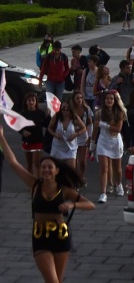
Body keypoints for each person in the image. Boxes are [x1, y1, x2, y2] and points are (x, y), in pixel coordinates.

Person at [0, 126, 95, 283]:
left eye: (50, 167)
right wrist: (2, 137)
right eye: (43, 167)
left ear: (57, 170)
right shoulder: (35, 185)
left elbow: (91, 205)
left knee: (57, 279)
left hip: (60, 237)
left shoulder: (65, 191)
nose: (46, 170)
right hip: (40, 237)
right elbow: (13, 163)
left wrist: (72, 205)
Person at [91, 90, 126, 203]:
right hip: (103, 142)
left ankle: (118, 184)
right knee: (104, 168)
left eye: (111, 99)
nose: (109, 101)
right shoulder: (99, 113)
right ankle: (103, 193)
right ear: (104, 100)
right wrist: (92, 143)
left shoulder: (119, 113)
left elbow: (118, 129)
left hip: (115, 141)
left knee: (117, 168)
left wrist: (103, 125)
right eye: (107, 99)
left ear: (114, 100)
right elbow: (95, 129)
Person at [47, 97, 86, 172]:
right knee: (56, 171)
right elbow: (49, 128)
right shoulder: (57, 117)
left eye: (67, 109)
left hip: (70, 148)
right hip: (57, 148)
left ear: (71, 109)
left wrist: (76, 134)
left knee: (71, 170)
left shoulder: (75, 118)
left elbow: (83, 128)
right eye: (63, 108)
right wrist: (55, 135)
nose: (65, 110)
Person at [20, 92, 48, 180]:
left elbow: (46, 124)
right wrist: (23, 132)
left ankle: (38, 180)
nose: (31, 102)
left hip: (38, 141)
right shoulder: (23, 114)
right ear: (26, 102)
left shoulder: (40, 113)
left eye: (33, 100)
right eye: (29, 100)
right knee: (29, 164)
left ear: (36, 102)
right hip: (27, 141)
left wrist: (48, 116)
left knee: (36, 163)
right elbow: (18, 126)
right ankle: (30, 181)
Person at [70, 91, 93, 189]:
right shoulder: (70, 109)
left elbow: (90, 123)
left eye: (81, 98)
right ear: (73, 99)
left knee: (83, 161)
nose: (79, 100)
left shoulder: (87, 109)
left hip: (83, 136)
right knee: (73, 161)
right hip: (72, 136)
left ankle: (81, 176)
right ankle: (75, 179)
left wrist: (90, 137)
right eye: (77, 98)